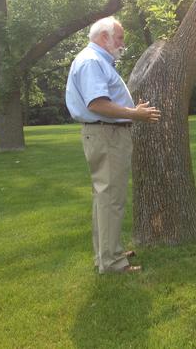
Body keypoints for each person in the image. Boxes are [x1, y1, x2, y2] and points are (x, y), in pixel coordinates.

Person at [65, 17, 161, 273]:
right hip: (106, 134)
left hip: (105, 133)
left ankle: (108, 252)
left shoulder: (96, 60)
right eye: (119, 38)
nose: (123, 43)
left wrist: (130, 112)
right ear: (104, 37)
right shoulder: (92, 61)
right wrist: (135, 113)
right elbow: (97, 104)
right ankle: (111, 262)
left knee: (105, 198)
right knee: (111, 199)